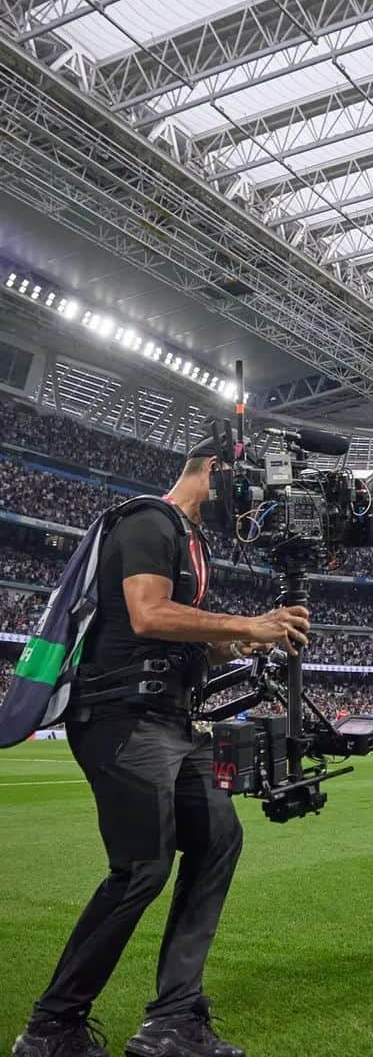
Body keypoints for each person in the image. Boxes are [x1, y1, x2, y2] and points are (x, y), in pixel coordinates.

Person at [12, 439, 311, 1057]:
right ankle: (51, 1027)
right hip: (121, 717)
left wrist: (238, 643)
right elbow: (147, 615)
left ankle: (173, 1021)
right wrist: (244, 625)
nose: (252, 505)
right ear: (217, 473)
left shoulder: (192, 540)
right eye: (248, 486)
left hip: (170, 720)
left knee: (218, 837)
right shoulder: (150, 520)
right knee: (142, 868)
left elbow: (178, 639)